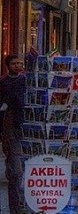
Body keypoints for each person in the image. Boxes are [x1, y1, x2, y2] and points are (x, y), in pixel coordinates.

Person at [0, 55, 26, 213]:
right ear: (7, 65)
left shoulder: (26, 81)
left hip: (25, 127)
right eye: (14, 63)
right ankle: (15, 207)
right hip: (12, 130)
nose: (17, 66)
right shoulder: (3, 83)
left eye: (19, 63)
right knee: (16, 172)